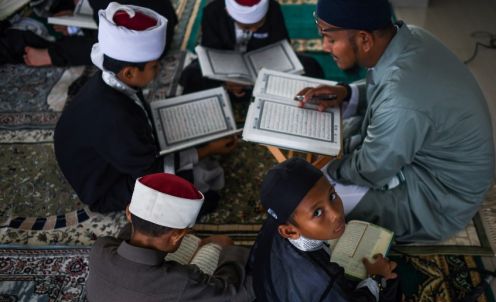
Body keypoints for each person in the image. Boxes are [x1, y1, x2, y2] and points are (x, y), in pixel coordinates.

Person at [296, 0, 495, 241]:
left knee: (310, 207)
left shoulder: (401, 100)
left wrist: (323, 173)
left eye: (330, 39)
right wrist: (348, 93)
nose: (326, 47)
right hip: (434, 160)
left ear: (364, 40)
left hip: (438, 200)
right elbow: (385, 86)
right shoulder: (411, 37)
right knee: (347, 128)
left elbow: (370, 170)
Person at [54, 2, 237, 213]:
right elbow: (151, 170)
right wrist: (208, 150)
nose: (158, 70)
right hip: (107, 188)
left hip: (117, 155)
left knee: (186, 147)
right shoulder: (116, 117)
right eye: (154, 66)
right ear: (130, 72)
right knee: (204, 194)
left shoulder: (111, 80)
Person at [84, 172, 254, 302]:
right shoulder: (181, 280)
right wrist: (230, 248)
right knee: (250, 282)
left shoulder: (101, 248)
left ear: (128, 212)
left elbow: (125, 238)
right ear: (177, 235)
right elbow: (226, 288)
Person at [249, 158, 403, 302]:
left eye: (332, 196)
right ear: (290, 232)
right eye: (317, 212)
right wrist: (376, 277)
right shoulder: (322, 280)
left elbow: (254, 261)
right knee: (389, 284)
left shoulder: (273, 224)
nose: (337, 214)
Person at [178, 0, 324, 97]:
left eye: (259, 24)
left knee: (310, 66)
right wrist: (228, 80)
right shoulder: (213, 12)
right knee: (192, 74)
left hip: (263, 66)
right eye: (247, 26)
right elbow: (211, 51)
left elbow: (281, 46)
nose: (254, 29)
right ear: (229, 13)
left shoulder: (272, 8)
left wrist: (259, 74)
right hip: (227, 68)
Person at [0, 0, 177, 67]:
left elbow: (106, 47)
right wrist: (75, 22)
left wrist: (51, 55)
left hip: (151, 41)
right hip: (161, 23)